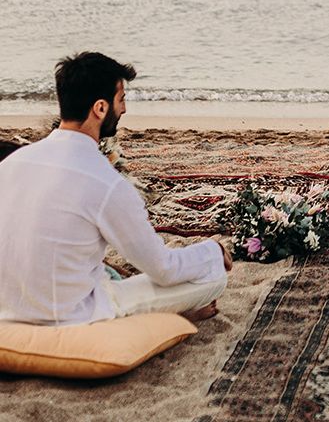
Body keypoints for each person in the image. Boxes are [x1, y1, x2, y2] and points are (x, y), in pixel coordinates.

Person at [0, 52, 231, 326]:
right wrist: (213, 251)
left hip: (7, 309)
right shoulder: (105, 181)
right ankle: (165, 318)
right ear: (100, 108)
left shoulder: (13, 163)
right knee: (213, 274)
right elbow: (163, 269)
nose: (124, 110)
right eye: (121, 100)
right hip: (67, 315)